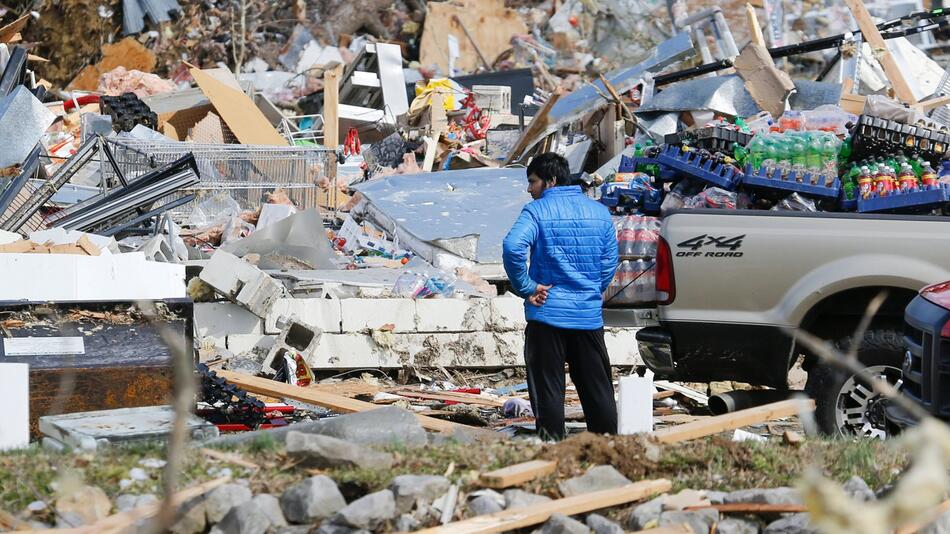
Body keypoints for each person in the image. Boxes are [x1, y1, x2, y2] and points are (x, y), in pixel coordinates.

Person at [502, 152, 619, 440]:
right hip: (587, 318)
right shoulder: (600, 213)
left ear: (551, 181)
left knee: (548, 389)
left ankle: (552, 448)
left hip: (547, 317)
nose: (529, 189)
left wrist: (527, 287)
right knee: (597, 388)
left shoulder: (537, 212)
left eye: (533, 182)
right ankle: (607, 447)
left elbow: (512, 247)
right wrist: (591, 291)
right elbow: (609, 263)